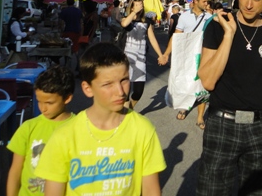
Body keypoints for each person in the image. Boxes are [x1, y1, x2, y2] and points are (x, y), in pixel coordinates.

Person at [196, 0, 262, 195]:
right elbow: (207, 81)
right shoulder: (218, 26)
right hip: (222, 124)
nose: (248, 4)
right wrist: (229, 35)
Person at [35, 42, 166, 196]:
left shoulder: (143, 129)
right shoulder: (64, 136)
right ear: (87, 89)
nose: (120, 91)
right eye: (108, 84)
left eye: (124, 80)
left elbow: (151, 190)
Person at [6, 65, 75, 196]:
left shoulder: (79, 127)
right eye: (39, 101)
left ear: (67, 98)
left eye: (49, 103)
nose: (43, 108)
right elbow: (15, 171)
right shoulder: (28, 127)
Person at [160, 0, 212, 129]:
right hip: (187, 58)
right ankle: (184, 107)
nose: (207, 4)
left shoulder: (209, 17)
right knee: (186, 84)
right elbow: (176, 37)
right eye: (204, 1)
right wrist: (166, 54)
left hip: (203, 56)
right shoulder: (184, 17)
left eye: (207, 2)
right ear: (195, 1)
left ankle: (200, 116)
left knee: (203, 87)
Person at [121, 0, 164, 109]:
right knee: (125, 89)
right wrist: (133, 13)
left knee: (138, 91)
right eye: (136, 5)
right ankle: (126, 116)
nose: (139, 7)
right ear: (131, 7)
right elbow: (125, 24)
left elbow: (152, 39)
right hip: (125, 59)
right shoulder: (126, 19)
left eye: (140, 5)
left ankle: (129, 108)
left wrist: (161, 55)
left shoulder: (147, 22)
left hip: (140, 59)